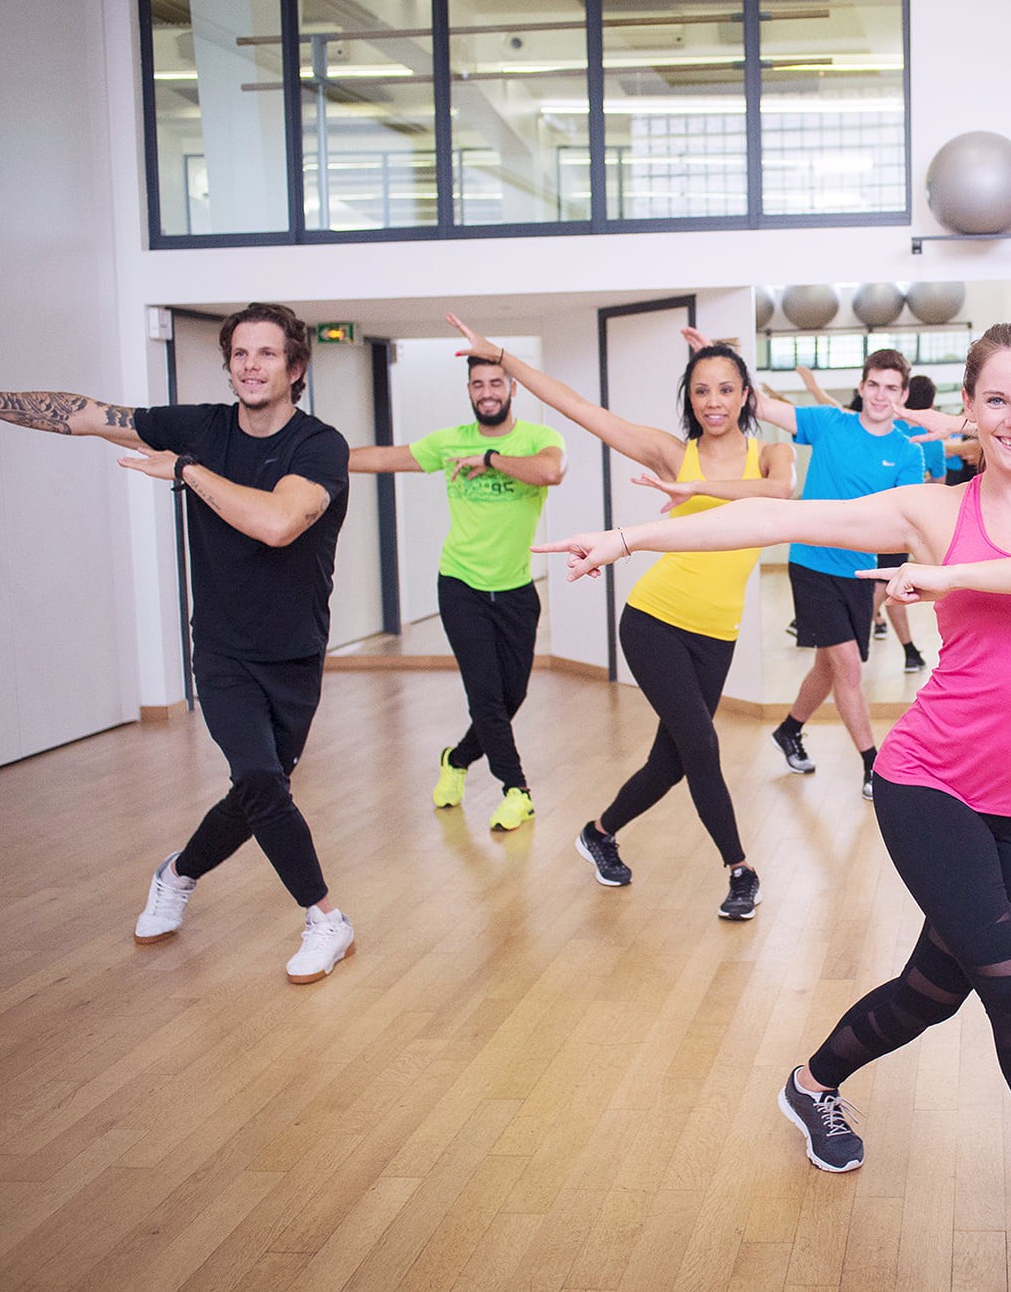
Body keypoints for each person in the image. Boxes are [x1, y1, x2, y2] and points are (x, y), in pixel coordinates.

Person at [537, 322, 1011, 1290]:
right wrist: (629, 535)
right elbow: (777, 521)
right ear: (970, 413)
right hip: (928, 779)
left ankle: (811, 1082)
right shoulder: (933, 507)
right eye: (996, 399)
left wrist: (947, 578)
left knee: (934, 992)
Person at [0, 303, 357, 981]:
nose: (251, 365)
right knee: (258, 779)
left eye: (267, 353)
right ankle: (326, 919)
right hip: (222, 650)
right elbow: (80, 412)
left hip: (295, 651)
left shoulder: (319, 446)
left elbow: (277, 523)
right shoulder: (202, 425)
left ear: (295, 366)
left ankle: (177, 872)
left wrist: (186, 470)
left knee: (260, 792)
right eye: (240, 353)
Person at [452, 316, 795, 919]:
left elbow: (781, 494)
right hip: (653, 619)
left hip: (717, 634)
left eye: (725, 388)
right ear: (689, 399)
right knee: (702, 745)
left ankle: (600, 833)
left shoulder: (772, 453)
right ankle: (741, 870)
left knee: (669, 762)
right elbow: (583, 408)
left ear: (746, 396)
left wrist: (698, 495)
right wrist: (504, 357)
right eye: (701, 390)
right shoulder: (673, 452)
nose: (713, 401)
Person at [348, 351, 566, 832]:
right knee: (485, 696)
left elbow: (550, 472)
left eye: (495, 383)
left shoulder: (538, 439)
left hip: (515, 590)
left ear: (513, 388)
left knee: (512, 697)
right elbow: (387, 457)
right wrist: (317, 456)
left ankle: (456, 758)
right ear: (469, 391)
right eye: (477, 385)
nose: (487, 392)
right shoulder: (449, 443)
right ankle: (517, 790)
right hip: (461, 584)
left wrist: (489, 459)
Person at [751, 350, 926, 798]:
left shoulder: (906, 452)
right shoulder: (830, 423)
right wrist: (719, 365)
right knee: (847, 664)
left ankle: (789, 729)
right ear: (862, 387)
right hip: (811, 563)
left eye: (891, 388)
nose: (881, 395)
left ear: (902, 395)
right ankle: (873, 766)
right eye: (874, 385)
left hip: (860, 573)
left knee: (829, 666)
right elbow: (760, 405)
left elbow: (902, 521)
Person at [870, 374, 947, 673]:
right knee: (884, 586)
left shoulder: (885, 429)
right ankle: (852, 633)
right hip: (895, 526)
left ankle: (909, 650)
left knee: (887, 585)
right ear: (929, 404)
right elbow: (938, 488)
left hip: (867, 520)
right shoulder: (931, 441)